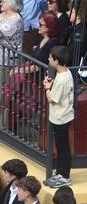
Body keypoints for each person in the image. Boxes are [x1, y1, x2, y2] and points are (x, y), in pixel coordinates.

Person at [45, 44, 75, 188]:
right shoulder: (66, 73)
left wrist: (47, 88)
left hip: (60, 117)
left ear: (56, 61)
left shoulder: (62, 79)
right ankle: (61, 173)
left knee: (62, 148)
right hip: (65, 115)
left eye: (50, 57)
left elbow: (52, 99)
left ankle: (65, 177)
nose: (48, 59)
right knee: (62, 147)